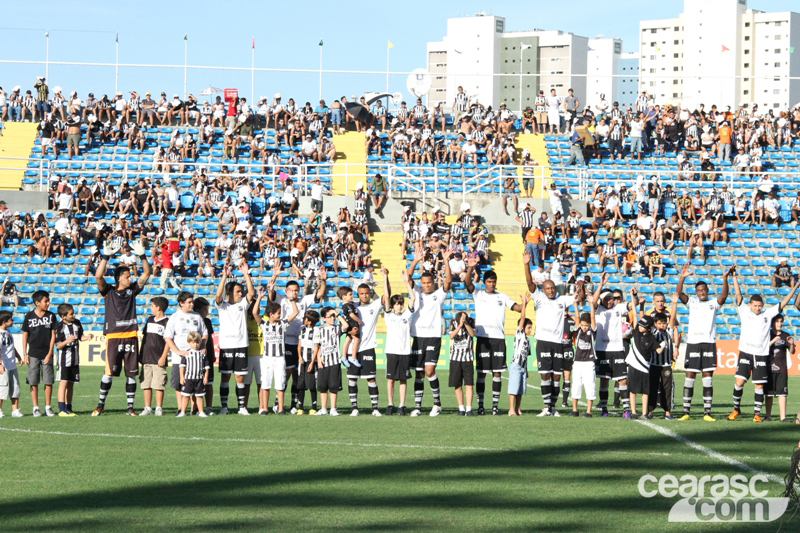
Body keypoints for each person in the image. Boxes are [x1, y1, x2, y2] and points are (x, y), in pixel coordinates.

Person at [728, 274, 799, 423]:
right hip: (746, 353)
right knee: (739, 382)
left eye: (760, 306)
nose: (758, 308)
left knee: (759, 385)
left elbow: (784, 302)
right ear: (750, 305)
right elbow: (738, 294)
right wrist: (734, 276)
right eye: (755, 306)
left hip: (760, 355)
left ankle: (757, 414)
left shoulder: (767, 314)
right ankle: (736, 409)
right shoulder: (745, 311)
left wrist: (796, 286)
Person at [92, 239, 151, 416]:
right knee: (108, 373)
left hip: (131, 335)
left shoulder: (132, 290)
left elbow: (146, 274)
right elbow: (98, 277)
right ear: (118, 278)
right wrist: (105, 257)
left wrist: (142, 255)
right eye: (127, 276)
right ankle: (100, 404)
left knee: (131, 373)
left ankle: (130, 407)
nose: (130, 278)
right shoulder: (108, 292)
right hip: (113, 337)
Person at [524, 252, 584, 416]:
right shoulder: (539, 298)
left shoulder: (562, 300)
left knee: (557, 377)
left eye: (552, 288)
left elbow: (580, 298)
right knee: (545, 375)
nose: (550, 290)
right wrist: (526, 265)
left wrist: (581, 287)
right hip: (543, 341)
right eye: (548, 288)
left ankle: (553, 407)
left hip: (558, 343)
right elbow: (529, 282)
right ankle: (546, 407)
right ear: (543, 289)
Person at [676, 264, 733, 422]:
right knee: (690, 377)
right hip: (693, 343)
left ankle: (707, 413)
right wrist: (683, 277)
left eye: (704, 290)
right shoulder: (692, 302)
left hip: (708, 343)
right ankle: (686, 411)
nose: (701, 292)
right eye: (699, 290)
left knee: (707, 378)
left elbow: (724, 296)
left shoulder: (713, 304)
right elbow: (679, 293)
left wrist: (725, 278)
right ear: (696, 292)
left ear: (707, 291)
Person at [465, 255, 522, 415]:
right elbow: (468, 283)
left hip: (498, 340)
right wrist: (470, 267)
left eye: (493, 282)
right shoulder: (478, 294)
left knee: (497, 373)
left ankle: (495, 406)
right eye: (489, 282)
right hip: (483, 339)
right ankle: (481, 405)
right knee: (481, 373)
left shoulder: (501, 297)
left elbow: (515, 308)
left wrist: (524, 303)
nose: (491, 284)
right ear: (484, 283)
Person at [267, 266, 326, 414]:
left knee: (297, 375)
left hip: (301, 342)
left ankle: (293, 404)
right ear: (286, 291)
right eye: (291, 290)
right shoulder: (281, 299)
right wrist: (274, 276)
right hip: (285, 341)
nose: (294, 292)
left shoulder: (304, 300)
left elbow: (319, 294)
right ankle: (276, 403)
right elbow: (270, 292)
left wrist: (323, 281)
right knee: (286, 373)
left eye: (296, 290)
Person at [406, 249, 453, 417]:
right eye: (424, 283)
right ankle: (418, 406)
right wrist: (416, 260)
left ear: (433, 283)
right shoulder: (417, 291)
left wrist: (446, 261)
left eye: (429, 283)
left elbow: (448, 281)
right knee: (418, 372)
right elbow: (408, 278)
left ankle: (437, 404)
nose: (426, 285)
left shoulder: (438, 295)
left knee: (429, 371)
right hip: (418, 337)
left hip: (433, 337)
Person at [591, 273, 638, 417]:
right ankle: (604, 409)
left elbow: (633, 304)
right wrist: (600, 285)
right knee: (604, 380)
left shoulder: (618, 308)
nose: (610, 301)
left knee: (623, 380)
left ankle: (626, 410)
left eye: (611, 298)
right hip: (602, 350)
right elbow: (592, 302)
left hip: (618, 350)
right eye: (607, 299)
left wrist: (633, 296)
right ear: (602, 300)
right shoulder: (598, 309)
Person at [215, 265, 256, 415]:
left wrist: (246, 275)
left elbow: (251, 293)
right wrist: (224, 276)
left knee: (240, 377)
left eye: (241, 291)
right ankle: (224, 407)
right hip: (226, 346)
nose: (241, 294)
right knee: (225, 376)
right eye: (238, 291)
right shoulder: (222, 306)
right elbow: (218, 297)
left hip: (241, 345)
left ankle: (241, 407)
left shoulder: (242, 305)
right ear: (230, 293)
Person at [252, 288, 298, 415]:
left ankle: (281, 409)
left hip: (279, 358)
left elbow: (295, 313)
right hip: (267, 358)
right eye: (278, 313)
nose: (280, 315)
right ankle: (265, 409)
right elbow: (255, 313)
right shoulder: (264, 324)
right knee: (265, 383)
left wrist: (292, 300)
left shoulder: (282, 324)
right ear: (271, 314)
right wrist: (260, 298)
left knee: (280, 383)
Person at [164, 291, 208, 414]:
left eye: (192, 301)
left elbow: (204, 333)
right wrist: (177, 351)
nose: (192, 304)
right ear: (181, 303)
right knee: (179, 384)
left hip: (195, 359)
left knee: (195, 383)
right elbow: (167, 337)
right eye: (189, 302)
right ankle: (180, 409)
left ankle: (194, 409)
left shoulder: (197, 317)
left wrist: (203, 345)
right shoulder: (174, 317)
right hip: (180, 358)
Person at [381, 266, 415, 416]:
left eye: (401, 303)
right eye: (397, 304)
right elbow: (386, 297)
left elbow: (413, 298)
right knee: (390, 379)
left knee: (403, 379)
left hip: (405, 352)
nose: (399, 306)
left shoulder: (406, 315)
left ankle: (402, 405)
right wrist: (384, 277)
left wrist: (406, 282)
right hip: (392, 351)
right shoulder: (389, 316)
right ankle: (390, 404)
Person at [21, 290, 56, 417]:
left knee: (48, 381)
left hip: (47, 353)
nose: (48, 303)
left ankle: (48, 407)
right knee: (33, 381)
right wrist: (25, 354)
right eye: (45, 301)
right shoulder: (29, 316)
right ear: (37, 303)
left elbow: (53, 335)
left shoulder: (51, 316)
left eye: (48, 300)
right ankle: (35, 407)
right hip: (33, 353)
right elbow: (25, 335)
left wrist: (50, 353)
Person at [54, 303, 92, 416]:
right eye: (71, 313)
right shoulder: (59, 327)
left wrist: (87, 337)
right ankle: (61, 409)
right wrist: (67, 341)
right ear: (63, 316)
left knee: (71, 384)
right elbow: (57, 345)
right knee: (63, 383)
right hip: (63, 360)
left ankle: (68, 407)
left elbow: (80, 337)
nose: (74, 315)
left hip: (75, 359)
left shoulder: (77, 323)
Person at [311, 306, 349, 416]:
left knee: (333, 386)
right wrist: (318, 358)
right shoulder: (319, 330)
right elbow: (317, 345)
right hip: (323, 362)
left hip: (334, 362)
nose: (333, 319)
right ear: (324, 318)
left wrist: (337, 314)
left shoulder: (337, 329)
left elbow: (346, 326)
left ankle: (333, 408)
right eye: (330, 317)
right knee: (322, 387)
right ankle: (323, 409)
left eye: (333, 317)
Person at [626, 315, 666, 419]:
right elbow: (635, 315)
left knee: (645, 391)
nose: (639, 327)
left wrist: (663, 344)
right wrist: (635, 300)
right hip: (633, 366)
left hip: (644, 367)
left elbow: (658, 351)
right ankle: (633, 412)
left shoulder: (652, 338)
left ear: (649, 328)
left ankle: (644, 413)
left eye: (643, 326)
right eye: (639, 325)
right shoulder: (636, 333)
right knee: (632, 390)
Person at [647, 295, 679, 420]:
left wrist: (674, 304)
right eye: (660, 323)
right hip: (654, 364)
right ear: (655, 324)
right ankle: (650, 410)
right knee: (652, 387)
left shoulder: (668, 332)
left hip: (666, 364)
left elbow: (672, 319)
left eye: (664, 323)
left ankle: (667, 411)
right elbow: (643, 319)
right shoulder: (653, 333)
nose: (662, 325)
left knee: (667, 388)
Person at [139, 297, 169, 416]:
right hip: (147, 357)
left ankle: (158, 408)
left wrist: (163, 357)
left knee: (158, 384)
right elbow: (145, 338)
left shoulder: (167, 322)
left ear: (158, 308)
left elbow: (168, 342)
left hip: (158, 359)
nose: (151, 308)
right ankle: (147, 408)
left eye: (152, 306)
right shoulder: (150, 320)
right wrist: (141, 354)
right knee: (146, 384)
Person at [508, 293, 532, 417]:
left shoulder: (527, 341)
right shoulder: (520, 335)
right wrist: (524, 304)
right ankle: (511, 409)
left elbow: (526, 357)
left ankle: (518, 408)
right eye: (528, 327)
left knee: (521, 389)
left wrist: (526, 370)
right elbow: (522, 318)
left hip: (523, 367)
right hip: (516, 365)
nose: (530, 330)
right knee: (514, 388)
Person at [765, 314, 793, 422]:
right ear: (772, 323)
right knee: (768, 394)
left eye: (781, 321)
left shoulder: (785, 335)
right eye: (777, 321)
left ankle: (783, 417)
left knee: (782, 393)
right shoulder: (767, 334)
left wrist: (791, 344)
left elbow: (792, 351)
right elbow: (762, 348)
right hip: (768, 369)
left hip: (781, 369)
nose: (779, 324)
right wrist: (772, 341)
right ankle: (768, 416)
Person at [176, 331, 210, 418]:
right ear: (189, 342)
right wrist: (182, 377)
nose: (195, 345)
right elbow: (182, 367)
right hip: (189, 379)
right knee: (186, 396)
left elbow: (206, 367)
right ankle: (183, 412)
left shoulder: (202, 354)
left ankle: (201, 411)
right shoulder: (186, 354)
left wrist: (205, 377)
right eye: (193, 342)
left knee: (199, 396)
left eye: (197, 342)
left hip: (199, 378)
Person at [571, 311, 596, 418]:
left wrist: (591, 305)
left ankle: (589, 411)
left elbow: (593, 318)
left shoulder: (592, 333)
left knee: (590, 386)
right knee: (576, 385)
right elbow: (577, 317)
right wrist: (576, 305)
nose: (584, 327)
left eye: (587, 325)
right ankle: (574, 410)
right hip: (577, 362)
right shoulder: (578, 332)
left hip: (589, 363)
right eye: (582, 325)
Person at [0, 310, 24, 418]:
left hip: (12, 365)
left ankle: (15, 410)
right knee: (2, 388)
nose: (12, 321)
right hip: (3, 366)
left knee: (15, 387)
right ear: (4, 322)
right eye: (11, 319)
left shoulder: (8, 332)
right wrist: (0, 364)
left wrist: (18, 356)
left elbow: (11, 347)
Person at [194, 297, 215, 415]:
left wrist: (211, 353)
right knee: (195, 382)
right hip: (195, 357)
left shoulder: (207, 322)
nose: (207, 312)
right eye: (205, 309)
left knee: (208, 382)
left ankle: (209, 407)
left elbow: (210, 339)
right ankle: (195, 408)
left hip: (207, 355)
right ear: (197, 310)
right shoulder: (193, 321)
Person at [296, 310, 320, 415]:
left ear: (309, 321)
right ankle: (300, 407)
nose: (303, 320)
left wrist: (312, 363)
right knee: (301, 384)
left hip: (311, 361)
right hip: (302, 361)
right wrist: (300, 357)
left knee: (311, 384)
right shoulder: (302, 330)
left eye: (305, 318)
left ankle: (313, 407)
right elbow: (299, 345)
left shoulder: (316, 331)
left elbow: (316, 347)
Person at [337, 286, 362, 368]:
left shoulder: (349, 304)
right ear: (344, 297)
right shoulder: (347, 305)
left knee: (348, 339)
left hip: (351, 324)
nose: (352, 296)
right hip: (352, 324)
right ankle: (353, 358)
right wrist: (359, 321)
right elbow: (351, 315)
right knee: (357, 339)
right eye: (350, 294)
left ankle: (344, 356)